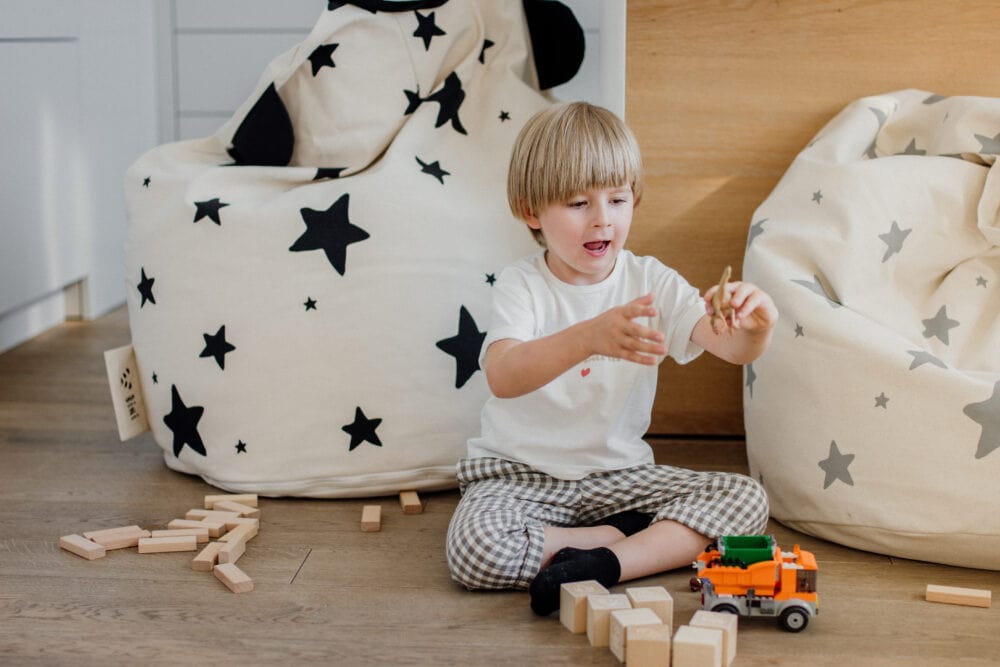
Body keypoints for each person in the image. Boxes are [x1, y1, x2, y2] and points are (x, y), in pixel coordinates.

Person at [445, 101, 777, 616]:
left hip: (619, 479)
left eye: (618, 199)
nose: (603, 219)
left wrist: (758, 326)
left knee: (747, 500)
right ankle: (625, 539)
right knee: (472, 551)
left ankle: (602, 563)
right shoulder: (522, 285)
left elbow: (731, 347)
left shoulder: (651, 281)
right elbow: (503, 376)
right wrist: (588, 337)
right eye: (579, 203)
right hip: (520, 476)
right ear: (532, 210)